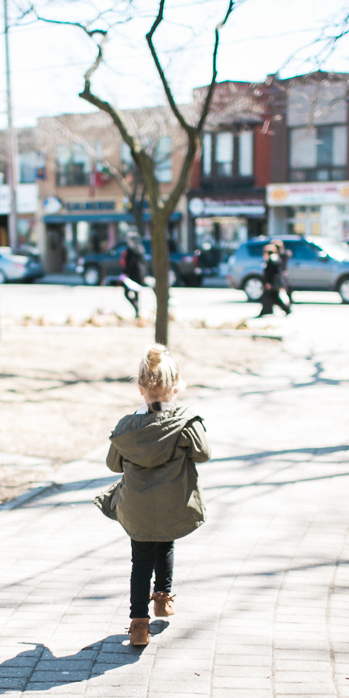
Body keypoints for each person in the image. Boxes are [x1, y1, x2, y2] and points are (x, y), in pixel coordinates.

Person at [94, 344, 211, 647]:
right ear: (175, 386)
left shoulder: (127, 427)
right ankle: (162, 598)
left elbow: (112, 464)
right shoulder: (186, 423)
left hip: (138, 507)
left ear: (141, 386)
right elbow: (203, 453)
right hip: (172, 502)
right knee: (166, 544)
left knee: (141, 560)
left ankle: (138, 625)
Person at [258, 241, 291, 317]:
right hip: (274, 282)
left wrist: (268, 282)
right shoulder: (275, 258)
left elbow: (270, 273)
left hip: (272, 283)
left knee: (274, 297)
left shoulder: (272, 260)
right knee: (272, 297)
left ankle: (286, 309)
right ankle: (266, 310)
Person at [120, 233, 145, 318]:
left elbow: (130, 263)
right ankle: (137, 310)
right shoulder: (141, 249)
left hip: (132, 275)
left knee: (126, 292)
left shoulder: (131, 250)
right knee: (136, 293)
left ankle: (136, 308)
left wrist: (125, 273)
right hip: (140, 274)